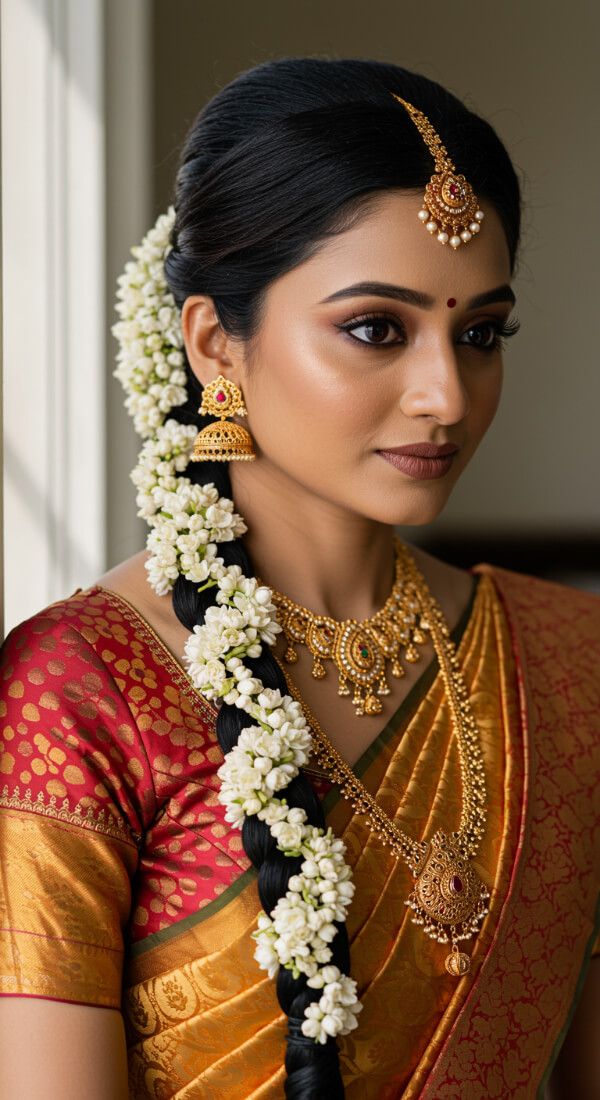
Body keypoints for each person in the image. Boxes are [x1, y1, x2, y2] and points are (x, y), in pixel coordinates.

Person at [0, 57, 598, 1100]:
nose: (445, 393)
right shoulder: (81, 691)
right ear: (215, 344)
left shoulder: (567, 665)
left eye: (481, 333)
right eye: (376, 328)